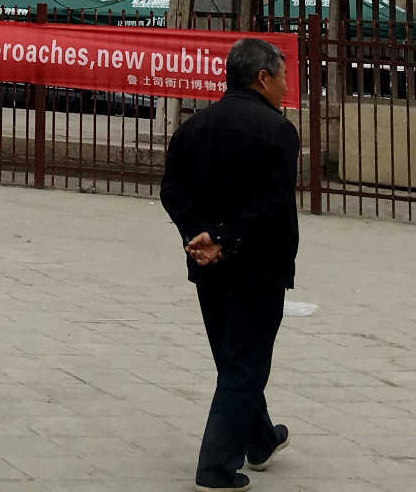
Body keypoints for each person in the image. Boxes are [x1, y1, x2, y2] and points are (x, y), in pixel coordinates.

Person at [160, 37, 300, 491]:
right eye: (282, 76)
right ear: (262, 77)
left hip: (209, 266)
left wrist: (199, 233)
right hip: (257, 266)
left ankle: (259, 440)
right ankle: (216, 468)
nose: (285, 86)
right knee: (243, 364)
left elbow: (171, 191)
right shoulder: (277, 131)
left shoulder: (192, 128)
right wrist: (221, 236)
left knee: (235, 358)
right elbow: (273, 204)